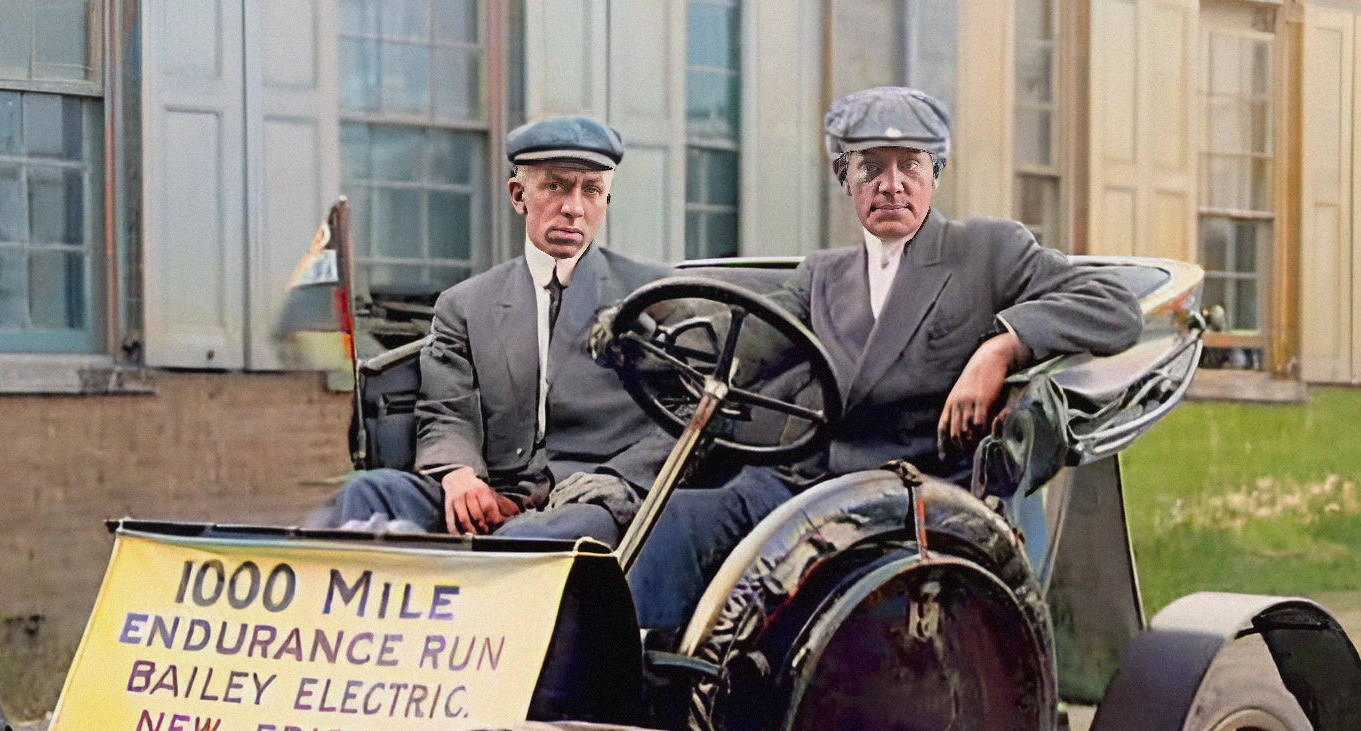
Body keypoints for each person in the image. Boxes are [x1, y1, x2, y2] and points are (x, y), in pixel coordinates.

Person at [625, 86, 1145, 633]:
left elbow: (1114, 308)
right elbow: (746, 345)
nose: (891, 184)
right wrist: (648, 338)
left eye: (910, 166)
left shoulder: (988, 253)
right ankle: (636, 688)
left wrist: (1004, 345)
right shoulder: (821, 277)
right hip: (804, 484)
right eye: (871, 167)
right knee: (678, 520)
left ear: (935, 174)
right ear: (845, 179)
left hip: (914, 498)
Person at [310, 116, 673, 543]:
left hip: (591, 499)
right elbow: (446, 411)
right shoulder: (465, 305)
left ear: (605, 199)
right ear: (519, 195)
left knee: (531, 541)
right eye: (555, 187)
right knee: (365, 493)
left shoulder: (654, 297)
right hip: (489, 490)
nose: (574, 207)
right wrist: (459, 475)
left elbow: (687, 417)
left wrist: (620, 481)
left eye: (590, 190)